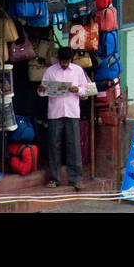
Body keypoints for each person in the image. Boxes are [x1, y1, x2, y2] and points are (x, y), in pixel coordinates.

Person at [37, 46, 93, 190]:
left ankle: (76, 179)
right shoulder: (50, 71)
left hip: (72, 112)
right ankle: (55, 178)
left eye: (67, 61)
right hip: (55, 113)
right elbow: (42, 91)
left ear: (71, 59)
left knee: (73, 145)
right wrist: (41, 89)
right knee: (54, 146)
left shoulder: (78, 70)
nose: (65, 64)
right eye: (62, 61)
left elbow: (86, 88)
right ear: (58, 59)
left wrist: (78, 90)